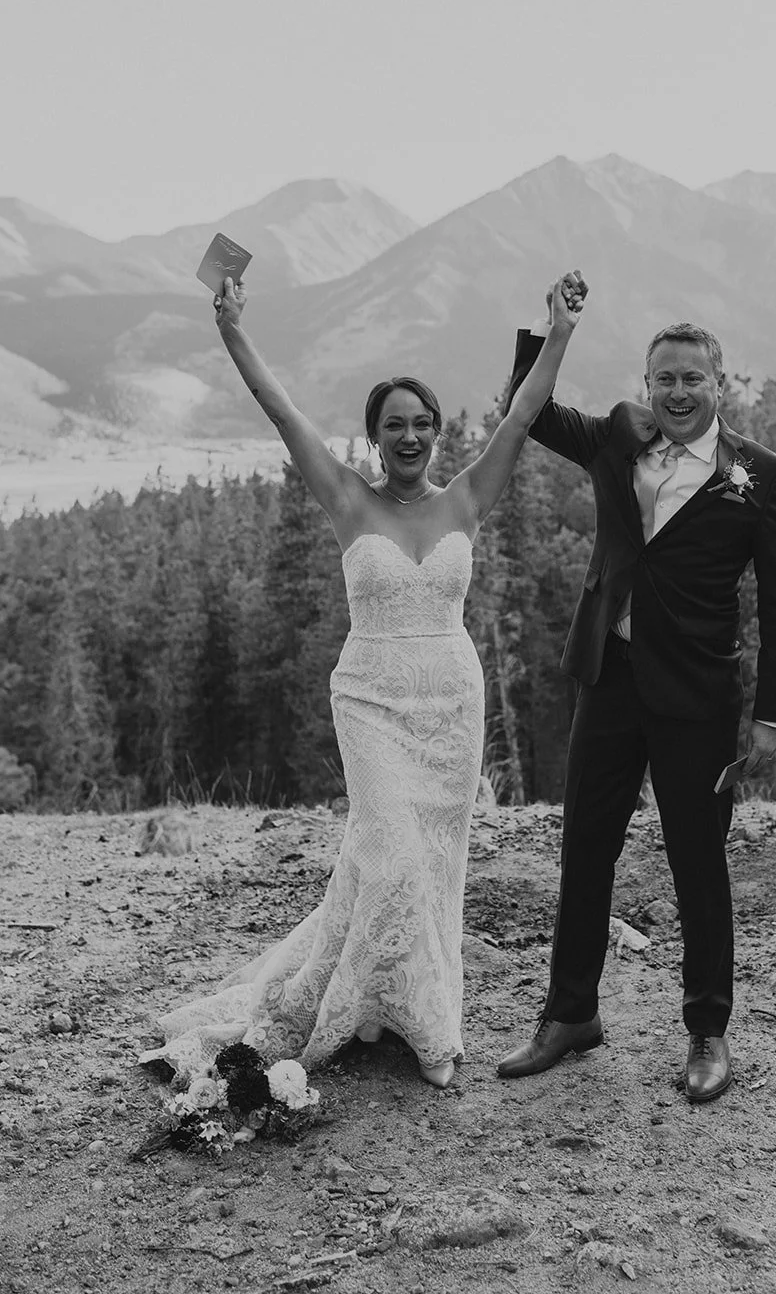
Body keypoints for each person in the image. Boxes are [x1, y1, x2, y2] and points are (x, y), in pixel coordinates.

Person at [139, 267, 586, 1090]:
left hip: (449, 703)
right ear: (373, 438)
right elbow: (282, 412)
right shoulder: (346, 498)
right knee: (389, 857)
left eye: (421, 424)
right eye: (394, 426)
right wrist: (233, 327)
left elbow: (522, 414)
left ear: (436, 433)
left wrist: (556, 331)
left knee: (434, 865)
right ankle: (376, 1011)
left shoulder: (464, 498)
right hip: (372, 701)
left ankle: (414, 1008)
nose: (410, 437)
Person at [497, 294, 776, 1101]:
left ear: (719, 383)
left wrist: (771, 716)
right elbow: (527, 415)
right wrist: (553, 332)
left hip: (698, 697)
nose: (676, 391)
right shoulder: (615, 438)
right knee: (585, 849)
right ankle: (570, 1015)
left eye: (691, 377)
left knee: (697, 863)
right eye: (663, 377)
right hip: (610, 679)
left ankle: (707, 1032)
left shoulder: (759, 477)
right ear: (645, 381)